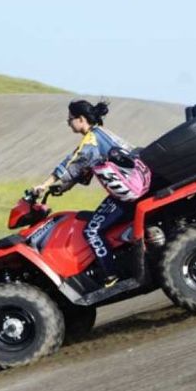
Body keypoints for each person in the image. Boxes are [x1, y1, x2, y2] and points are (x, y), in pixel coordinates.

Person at [32, 99, 135, 288]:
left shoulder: (90, 141)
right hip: (132, 187)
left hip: (127, 194)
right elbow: (83, 171)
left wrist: (44, 185)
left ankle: (111, 274)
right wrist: (64, 187)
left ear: (80, 119)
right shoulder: (101, 133)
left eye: (70, 119)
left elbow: (70, 165)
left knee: (92, 230)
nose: (68, 123)